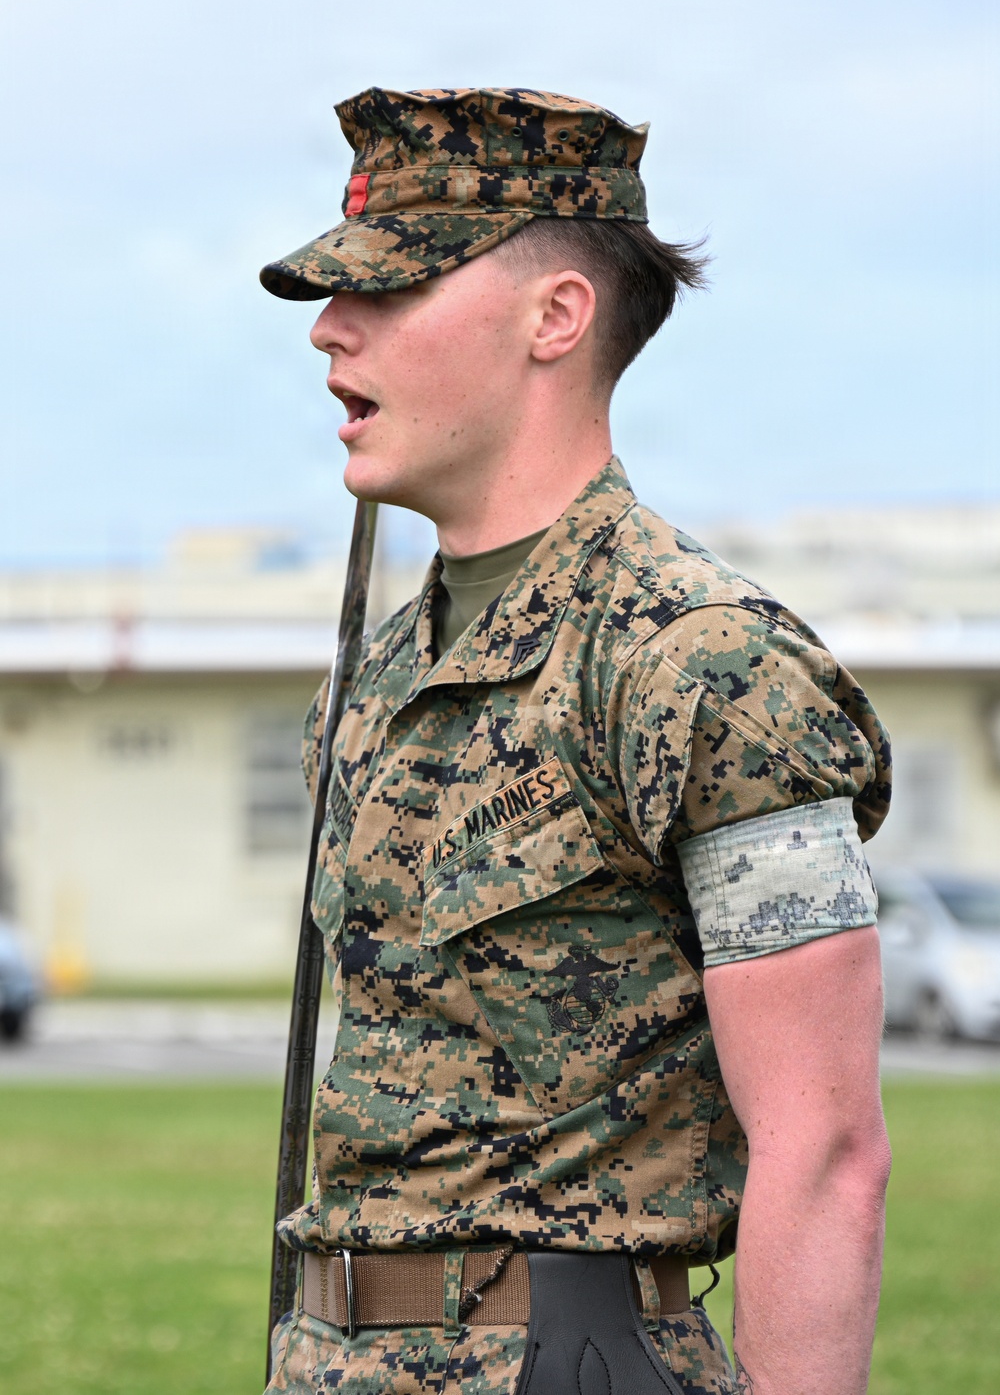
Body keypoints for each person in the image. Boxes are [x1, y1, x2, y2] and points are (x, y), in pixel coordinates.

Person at [259, 87, 892, 1395]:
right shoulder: (375, 678)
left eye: (392, 292)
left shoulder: (703, 663)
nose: (330, 331)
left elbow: (825, 1150)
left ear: (557, 317)